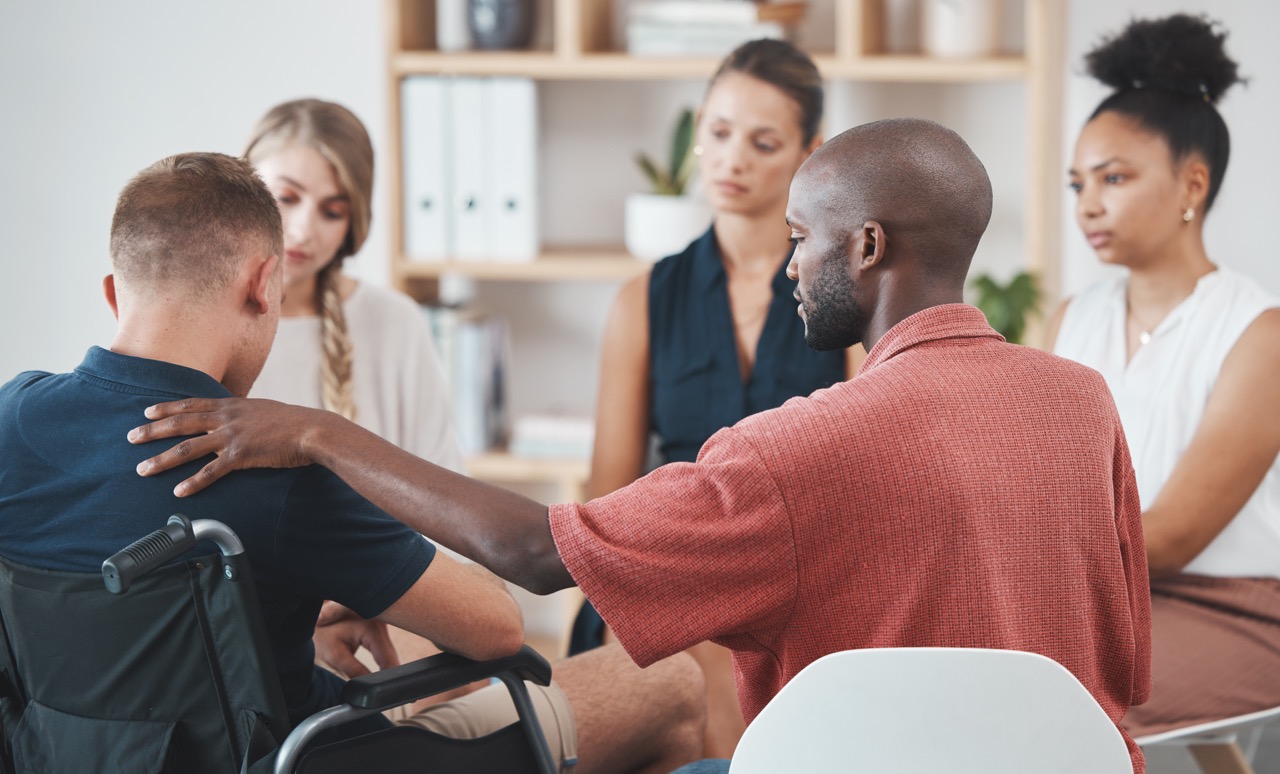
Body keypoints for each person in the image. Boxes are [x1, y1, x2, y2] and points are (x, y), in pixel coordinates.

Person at [131, 120, 1154, 771]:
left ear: (869, 246)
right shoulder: (1082, 403)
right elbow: (1124, 668)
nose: (785, 263)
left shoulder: (788, 451)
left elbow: (538, 554)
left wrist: (313, 430)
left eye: (802, 236)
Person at [0, 152, 705, 773]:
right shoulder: (260, 462)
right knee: (673, 685)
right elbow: (497, 628)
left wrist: (298, 610)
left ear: (113, 291)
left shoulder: (14, 415)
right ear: (264, 284)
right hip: (319, 755)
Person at [581, 38, 855, 756]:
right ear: (698, 128)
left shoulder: (846, 298)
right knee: (684, 664)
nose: (733, 159)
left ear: (808, 151)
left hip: (807, 574)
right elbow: (607, 491)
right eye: (719, 132)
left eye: (763, 143)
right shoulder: (644, 298)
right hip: (668, 565)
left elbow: (872, 475)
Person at [1048, 14, 1280, 739]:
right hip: (1098, 601)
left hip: (1234, 609)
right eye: (1078, 182)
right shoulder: (1070, 319)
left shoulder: (1258, 332)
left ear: (1193, 184)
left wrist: (1020, 555)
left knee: (1050, 712)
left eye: (1114, 178)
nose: (1088, 203)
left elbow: (1171, 539)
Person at [241, 98, 465, 696]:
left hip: (391, 603)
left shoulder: (393, 322)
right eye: (285, 198)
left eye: (332, 211)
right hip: (255, 629)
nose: (305, 229)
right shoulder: (211, 326)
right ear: (242, 188)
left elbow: (443, 498)